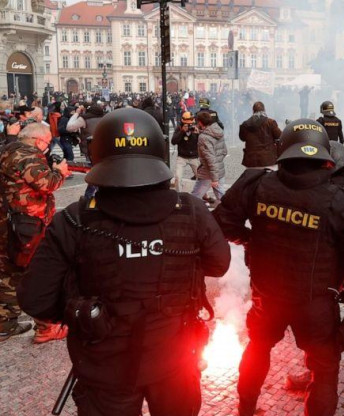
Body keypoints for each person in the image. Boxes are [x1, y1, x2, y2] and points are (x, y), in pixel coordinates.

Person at [18, 107, 231, 414]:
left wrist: (83, 311)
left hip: (104, 362)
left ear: (99, 155)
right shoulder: (190, 210)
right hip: (175, 360)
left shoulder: (73, 220)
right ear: (159, 155)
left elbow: (35, 297)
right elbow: (219, 263)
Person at [214, 119, 344, 416]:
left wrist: (251, 240)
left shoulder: (256, 182)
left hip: (267, 294)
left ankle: (245, 409)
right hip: (316, 302)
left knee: (257, 348)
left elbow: (222, 222)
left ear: (282, 150)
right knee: (324, 369)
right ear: (325, 157)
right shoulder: (342, 201)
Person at [1, 123, 69, 343]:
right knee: (40, 272)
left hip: (8, 221)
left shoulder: (8, 149)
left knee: (10, 271)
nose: (47, 147)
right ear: (39, 141)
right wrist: (60, 172)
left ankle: (4, 322)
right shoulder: (29, 156)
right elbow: (46, 183)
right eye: (47, 143)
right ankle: (46, 326)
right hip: (29, 223)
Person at [191, 111, 228, 206]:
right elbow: (224, 151)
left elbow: (210, 159)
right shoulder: (218, 130)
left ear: (200, 122)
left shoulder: (203, 138)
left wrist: (214, 178)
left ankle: (192, 216)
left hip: (208, 172)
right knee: (221, 197)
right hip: (219, 169)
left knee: (194, 197)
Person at [239, 101, 282, 169]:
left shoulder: (245, 124)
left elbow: (242, 138)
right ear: (264, 110)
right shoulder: (270, 122)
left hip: (251, 160)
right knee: (269, 179)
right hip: (268, 159)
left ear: (253, 111)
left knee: (253, 179)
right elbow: (279, 136)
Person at [171, 111, 201, 192]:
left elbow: (203, 142)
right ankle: (179, 195)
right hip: (182, 157)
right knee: (177, 177)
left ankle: (204, 195)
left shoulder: (196, 127)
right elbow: (173, 141)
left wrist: (199, 134)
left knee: (201, 178)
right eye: (186, 124)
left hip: (194, 157)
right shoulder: (179, 128)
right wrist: (182, 132)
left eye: (190, 124)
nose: (189, 126)